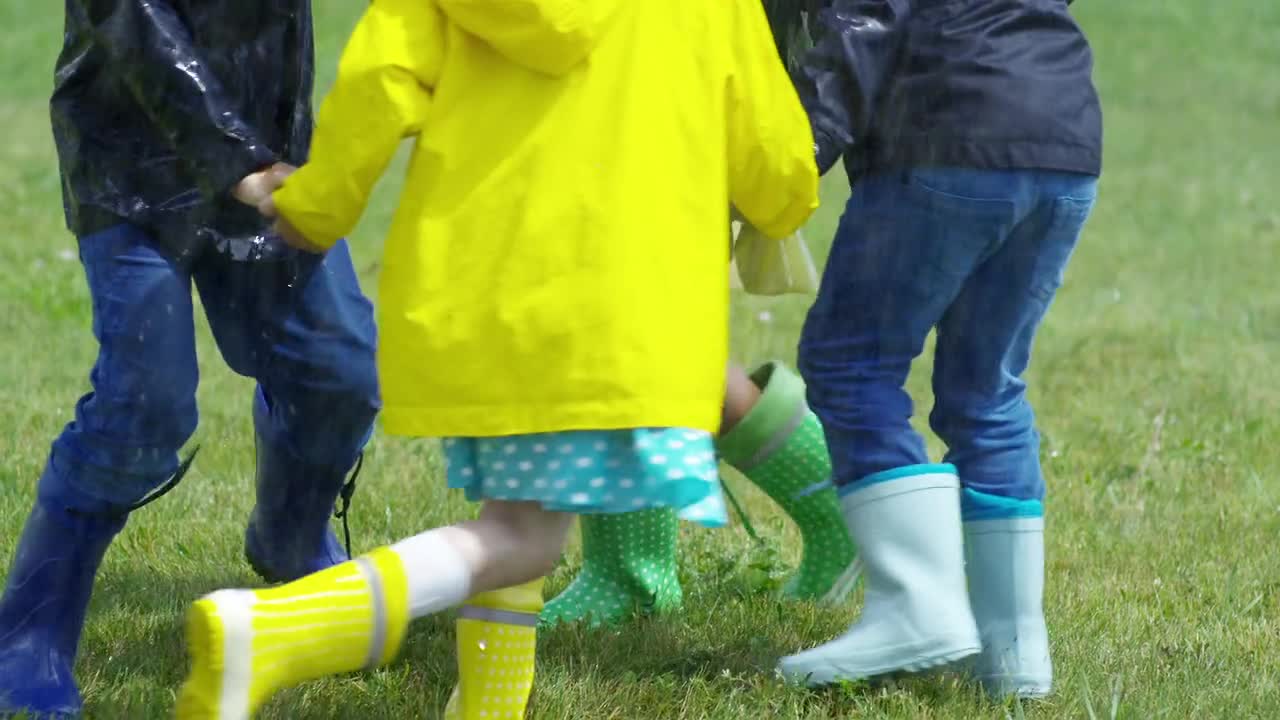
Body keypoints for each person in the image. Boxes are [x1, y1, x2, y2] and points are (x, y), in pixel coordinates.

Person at [174, 0, 819, 717]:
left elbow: (378, 82)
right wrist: (786, 203)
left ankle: (488, 708)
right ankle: (271, 633)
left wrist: (319, 205)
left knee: (516, 514)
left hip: (484, 298)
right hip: (615, 312)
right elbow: (772, 147)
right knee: (519, 538)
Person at [0, 2, 379, 716]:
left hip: (266, 147)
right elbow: (132, 23)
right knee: (143, 404)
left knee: (340, 369)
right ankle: (28, 637)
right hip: (129, 167)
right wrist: (239, 164)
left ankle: (292, 544)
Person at [775, 0, 1103, 700]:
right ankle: (1014, 654)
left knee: (851, 363)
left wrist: (792, 153)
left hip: (947, 131)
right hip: (1063, 136)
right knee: (988, 390)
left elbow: (861, 17)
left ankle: (914, 607)